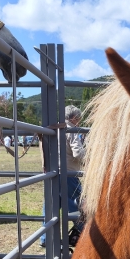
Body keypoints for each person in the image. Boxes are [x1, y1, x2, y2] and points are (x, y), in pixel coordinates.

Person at [41, 105, 86, 248]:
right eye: (78, 118)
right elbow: (78, 153)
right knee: (78, 205)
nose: (79, 121)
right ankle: (80, 235)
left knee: (50, 206)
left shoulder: (54, 128)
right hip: (68, 174)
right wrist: (91, 156)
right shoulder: (70, 129)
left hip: (53, 173)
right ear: (74, 118)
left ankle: (46, 238)